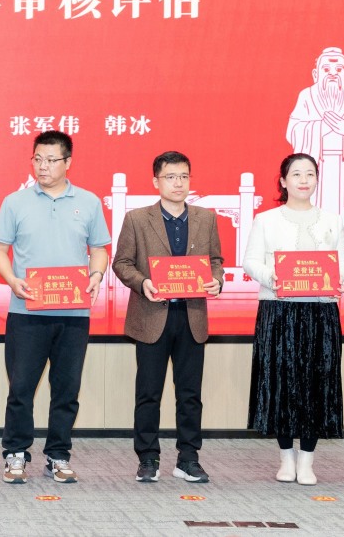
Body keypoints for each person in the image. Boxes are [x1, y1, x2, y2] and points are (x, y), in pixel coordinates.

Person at [0, 130, 110, 485]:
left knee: (66, 390)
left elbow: (99, 249)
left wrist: (96, 275)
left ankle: (58, 455)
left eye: (51, 160)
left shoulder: (89, 202)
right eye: (37, 159)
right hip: (26, 312)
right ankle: (16, 453)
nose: (42, 166)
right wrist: (12, 279)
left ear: (67, 162)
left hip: (73, 315)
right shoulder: (15, 202)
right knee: (21, 388)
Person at [112, 151, 224, 484]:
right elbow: (121, 263)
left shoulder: (206, 218)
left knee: (190, 394)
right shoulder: (137, 219)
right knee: (148, 393)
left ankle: (188, 458)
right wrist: (142, 282)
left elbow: (215, 260)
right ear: (156, 181)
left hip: (192, 316)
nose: (178, 183)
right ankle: (148, 457)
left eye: (184, 177)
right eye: (171, 177)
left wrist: (216, 280)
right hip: (151, 316)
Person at [242, 153, 344, 486]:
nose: (304, 180)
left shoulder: (332, 220)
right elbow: (250, 262)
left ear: (317, 179)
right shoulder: (266, 220)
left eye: (310, 174)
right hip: (279, 309)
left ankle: (307, 461)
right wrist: (274, 277)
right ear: (283, 181)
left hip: (320, 310)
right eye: (296, 174)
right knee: (282, 382)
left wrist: (336, 277)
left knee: (317, 383)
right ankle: (286, 457)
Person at [286, 47, 344, 243]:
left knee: (343, 222)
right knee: (314, 218)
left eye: (338, 69)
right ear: (316, 73)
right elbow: (293, 130)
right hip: (318, 167)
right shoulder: (307, 96)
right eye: (326, 69)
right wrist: (320, 128)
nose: (333, 74)